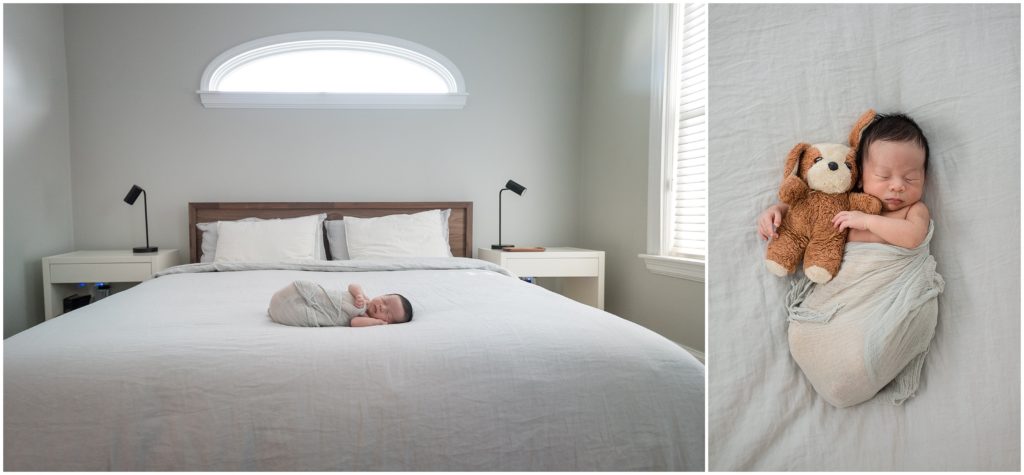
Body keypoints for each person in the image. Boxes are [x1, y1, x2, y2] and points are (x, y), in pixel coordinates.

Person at [757, 112, 944, 408]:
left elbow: (912, 237)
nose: (897, 186)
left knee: (873, 343)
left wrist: (867, 222)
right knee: (802, 335)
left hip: (884, 301)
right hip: (843, 301)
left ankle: (862, 369)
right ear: (859, 177)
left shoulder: (913, 211)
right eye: (883, 176)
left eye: (911, 177)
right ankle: (834, 361)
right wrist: (777, 212)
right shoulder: (845, 203)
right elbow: (809, 212)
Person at [268, 281, 413, 328]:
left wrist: (377, 322)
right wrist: (358, 295)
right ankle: (286, 298)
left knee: (298, 313)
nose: (382, 307)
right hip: (323, 297)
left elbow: (354, 322)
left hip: (323, 312)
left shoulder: (365, 317)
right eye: (385, 301)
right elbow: (352, 285)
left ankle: (280, 310)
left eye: (387, 313)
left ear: (386, 321)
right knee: (303, 287)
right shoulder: (364, 298)